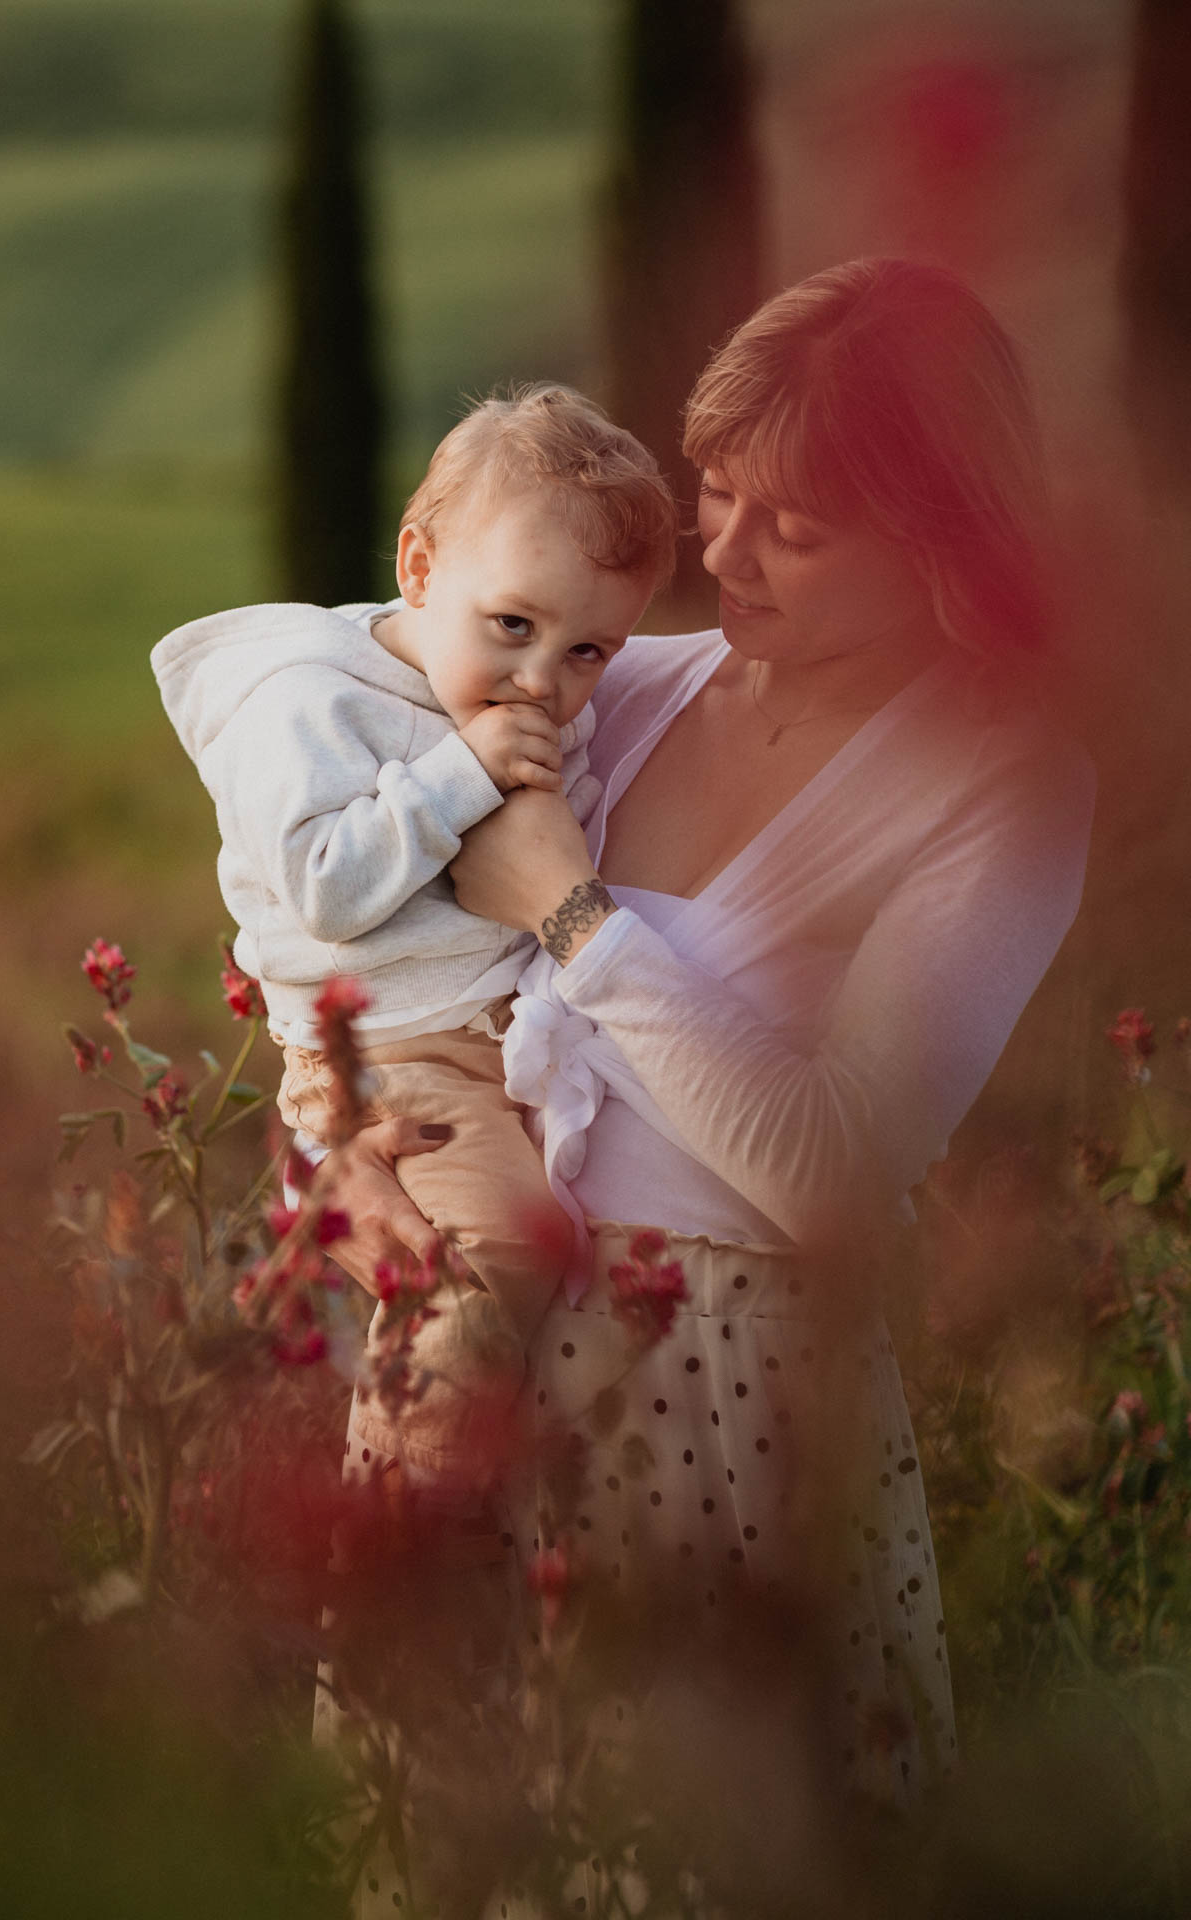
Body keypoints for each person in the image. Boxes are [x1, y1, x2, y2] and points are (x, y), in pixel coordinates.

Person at [332, 258, 1096, 1801]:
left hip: (721, 1415)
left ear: (938, 543)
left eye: (795, 529)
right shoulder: (619, 684)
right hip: (467, 1363)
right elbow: (359, 941)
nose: (722, 552)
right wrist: (336, 1164)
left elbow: (831, 1171)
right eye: (719, 492)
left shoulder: (998, 786)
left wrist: (572, 912)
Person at [151, 384, 677, 1482]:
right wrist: (458, 777)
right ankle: (394, 1527)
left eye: (588, 653)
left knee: (547, 1264)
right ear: (420, 569)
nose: (543, 680)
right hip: (386, 1058)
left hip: (489, 1037)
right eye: (514, 628)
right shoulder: (307, 702)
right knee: (494, 1261)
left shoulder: (494, 691)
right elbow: (326, 889)